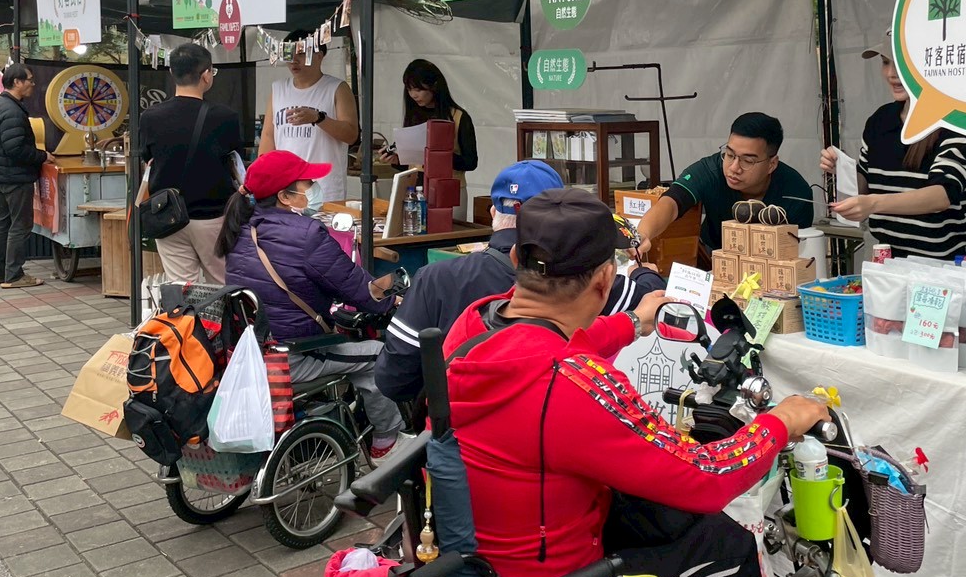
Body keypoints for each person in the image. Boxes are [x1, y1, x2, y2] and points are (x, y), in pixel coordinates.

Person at [444, 189, 828, 577]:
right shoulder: (576, 387)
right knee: (730, 544)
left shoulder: (472, 329)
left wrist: (631, 324)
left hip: (484, 573)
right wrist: (780, 423)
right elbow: (708, 475)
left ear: (517, 257)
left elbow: (544, 343)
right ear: (605, 281)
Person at [374, 159, 665, 403]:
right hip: (551, 430)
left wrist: (441, 404)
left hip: (450, 436)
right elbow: (655, 302)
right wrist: (642, 272)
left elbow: (394, 379)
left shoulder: (435, 278)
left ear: (493, 212)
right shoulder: (578, 276)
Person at [218, 150, 405, 459]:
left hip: (253, 350)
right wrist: (390, 301)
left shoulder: (242, 227)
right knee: (377, 354)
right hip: (294, 353)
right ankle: (386, 442)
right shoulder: (307, 233)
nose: (314, 188)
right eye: (307, 183)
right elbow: (357, 289)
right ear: (285, 196)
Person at [823, 29, 966, 259]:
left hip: (943, 266)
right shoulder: (880, 120)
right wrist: (842, 167)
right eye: (885, 62)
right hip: (887, 260)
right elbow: (864, 184)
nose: (891, 74)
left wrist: (874, 203)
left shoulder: (956, 123)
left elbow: (942, 195)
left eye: (902, 64)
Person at [635, 112, 815, 259]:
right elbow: (671, 202)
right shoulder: (711, 170)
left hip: (771, 268)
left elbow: (799, 256)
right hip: (712, 258)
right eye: (729, 155)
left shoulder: (796, 193)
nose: (734, 168)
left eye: (747, 161)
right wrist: (642, 234)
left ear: (772, 164)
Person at [139, 43, 243, 284]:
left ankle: (187, 312)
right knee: (222, 284)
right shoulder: (225, 117)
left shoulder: (150, 117)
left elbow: (148, 157)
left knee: (182, 289)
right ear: (206, 75)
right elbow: (235, 161)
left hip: (168, 216)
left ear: (172, 72)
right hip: (213, 217)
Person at [257, 34, 359, 195]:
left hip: (325, 188)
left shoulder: (337, 88)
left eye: (302, 53)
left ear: (319, 56)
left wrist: (318, 118)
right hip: (286, 188)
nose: (294, 60)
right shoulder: (278, 89)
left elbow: (351, 134)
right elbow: (268, 136)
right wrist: (263, 176)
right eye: (288, 54)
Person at [380, 59, 478, 213]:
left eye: (418, 89)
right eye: (409, 89)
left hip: (449, 189)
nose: (413, 95)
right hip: (416, 190)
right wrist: (397, 159)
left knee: (450, 227)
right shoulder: (413, 116)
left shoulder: (459, 117)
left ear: (434, 86)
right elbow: (412, 164)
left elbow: (471, 162)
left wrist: (438, 155)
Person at [0, 63, 49, 288]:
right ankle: (14, 275)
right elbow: (15, 148)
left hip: (1, 175)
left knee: (2, 223)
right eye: (29, 79)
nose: (33, 84)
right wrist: (42, 156)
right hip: (15, 176)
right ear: (17, 82)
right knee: (20, 225)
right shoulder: (11, 110)